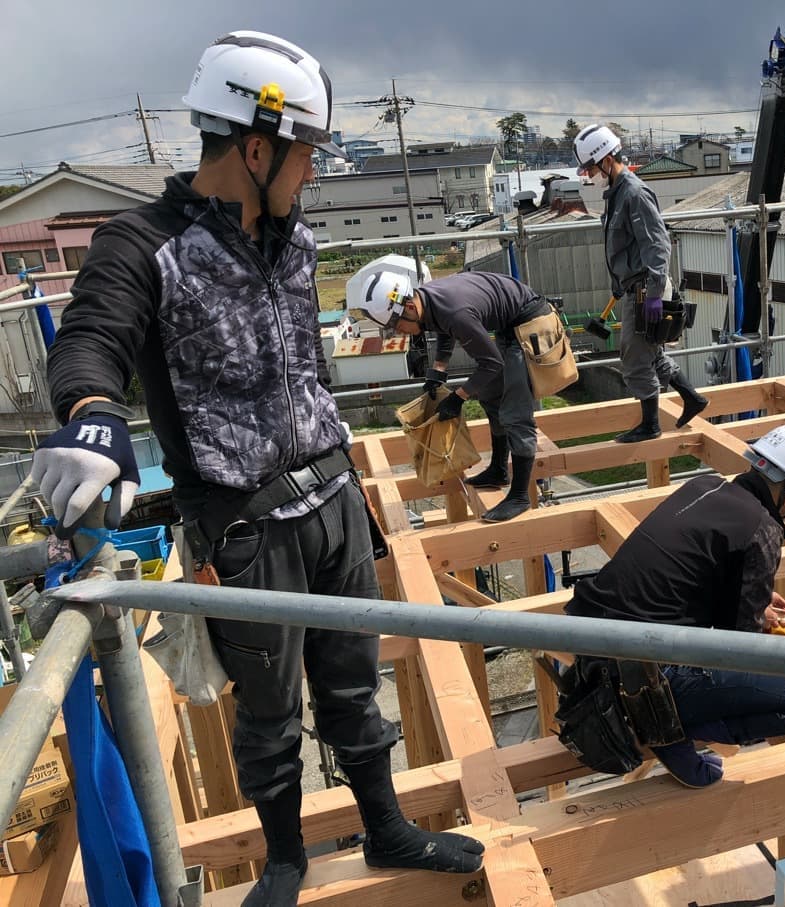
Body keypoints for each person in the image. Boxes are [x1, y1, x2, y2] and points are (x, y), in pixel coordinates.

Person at [32, 31, 482, 907]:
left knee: (354, 686)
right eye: (304, 154)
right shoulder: (143, 245)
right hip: (245, 528)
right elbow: (91, 336)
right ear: (253, 148)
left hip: (334, 501)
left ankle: (385, 826)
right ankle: (283, 859)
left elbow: (305, 370)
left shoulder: (293, 239)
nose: (311, 173)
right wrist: (92, 416)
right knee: (270, 711)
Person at [564, 424, 785, 787]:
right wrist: (759, 619)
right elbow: (739, 645)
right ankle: (667, 729)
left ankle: (663, 718)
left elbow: (684, 569)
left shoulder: (704, 487)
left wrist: (755, 598)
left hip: (589, 640)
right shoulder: (763, 529)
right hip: (644, 676)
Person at [359, 268, 549, 523]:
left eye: (395, 325)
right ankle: (499, 470)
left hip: (530, 320)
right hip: (509, 322)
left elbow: (492, 363)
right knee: (491, 393)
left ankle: (519, 496)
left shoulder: (454, 312)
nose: (398, 332)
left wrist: (458, 397)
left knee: (515, 411)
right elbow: (444, 328)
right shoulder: (427, 299)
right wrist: (438, 370)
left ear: (409, 308)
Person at [573, 123, 708, 443]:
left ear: (607, 160)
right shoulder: (616, 194)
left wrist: (655, 295)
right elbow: (628, 245)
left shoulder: (633, 193)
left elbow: (657, 245)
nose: (589, 176)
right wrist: (619, 283)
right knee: (650, 352)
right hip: (635, 286)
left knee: (634, 357)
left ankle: (650, 425)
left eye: (590, 169)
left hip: (647, 288)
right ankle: (692, 398)